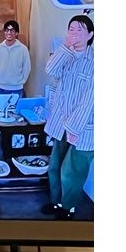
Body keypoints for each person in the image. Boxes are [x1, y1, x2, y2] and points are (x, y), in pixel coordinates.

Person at [41, 15, 94, 220]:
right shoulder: (66, 55)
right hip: (61, 123)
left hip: (83, 127)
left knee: (71, 172)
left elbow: (90, 99)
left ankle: (68, 208)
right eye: (71, 29)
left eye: (80, 29)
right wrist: (65, 46)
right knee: (55, 166)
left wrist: (74, 129)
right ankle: (56, 202)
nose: (74, 33)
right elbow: (50, 70)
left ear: (90, 34)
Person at [0, 20, 31, 98]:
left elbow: (27, 68)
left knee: (16, 107)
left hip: (17, 89)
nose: (9, 33)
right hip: (0, 88)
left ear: (16, 33)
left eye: (12, 31)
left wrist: (20, 82)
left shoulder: (23, 49)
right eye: (7, 30)